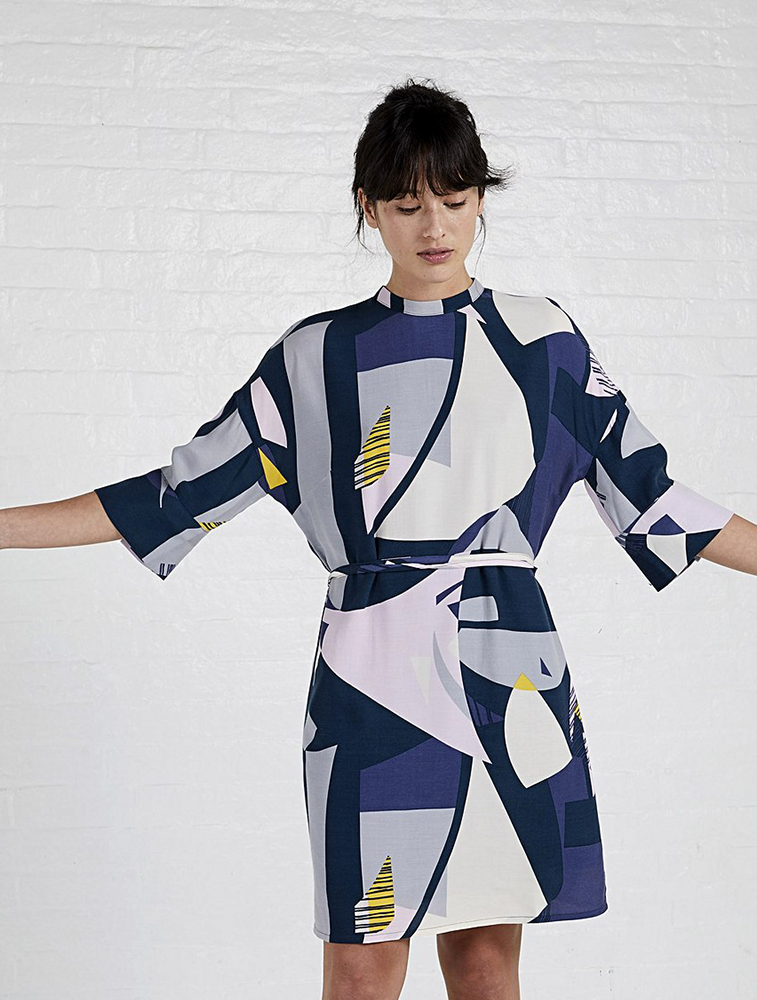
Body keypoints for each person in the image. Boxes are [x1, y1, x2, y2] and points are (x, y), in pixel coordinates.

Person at [2, 77, 755, 1000]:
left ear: (480, 199)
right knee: (360, 964)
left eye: (455, 199)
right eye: (406, 205)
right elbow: (173, 496)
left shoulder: (545, 341)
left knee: (485, 961)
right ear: (368, 207)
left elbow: (655, 499)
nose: (434, 226)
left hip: (506, 667)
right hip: (369, 681)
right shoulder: (314, 356)